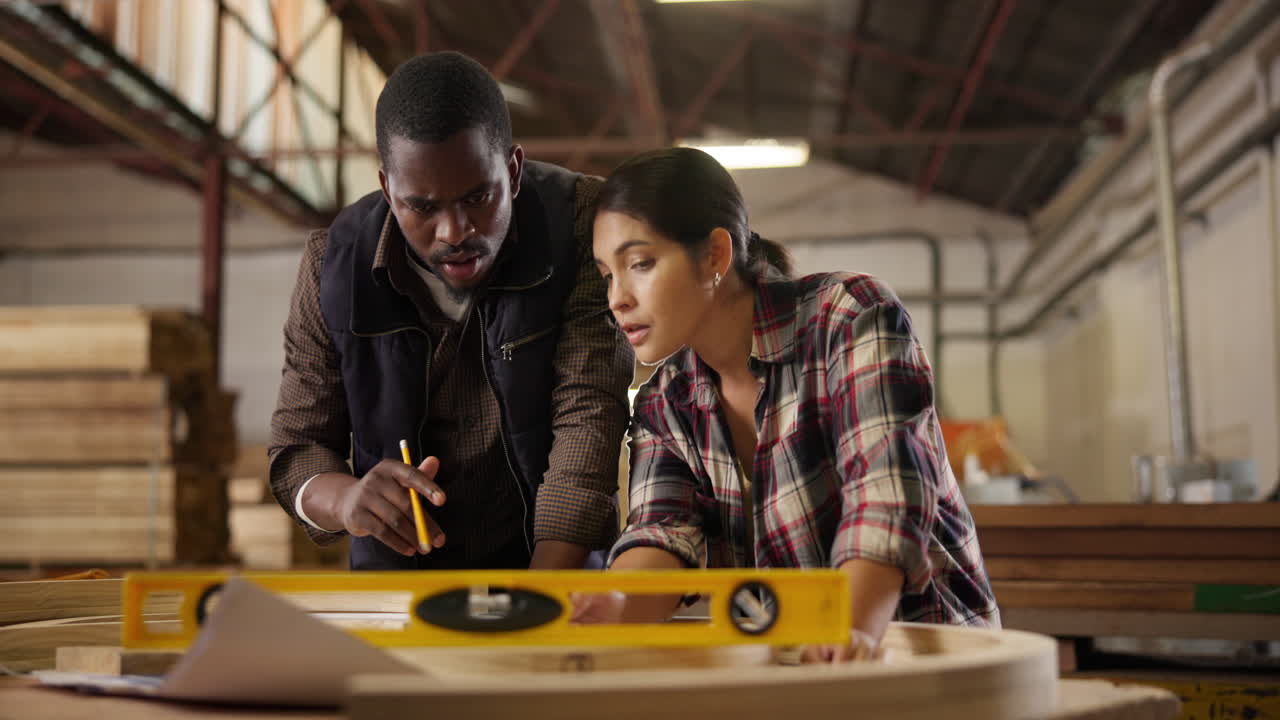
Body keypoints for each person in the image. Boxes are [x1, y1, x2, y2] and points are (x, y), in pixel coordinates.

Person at [577, 147, 999, 661]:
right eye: (606, 275)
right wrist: (612, 604)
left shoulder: (849, 317)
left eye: (639, 263)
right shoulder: (666, 399)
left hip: (929, 652)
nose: (617, 297)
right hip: (797, 669)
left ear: (714, 254)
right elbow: (661, 533)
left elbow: (886, 495)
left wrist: (850, 628)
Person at [268, 51, 633, 571]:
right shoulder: (331, 265)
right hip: (399, 592)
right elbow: (296, 449)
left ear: (513, 168)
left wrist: (544, 599)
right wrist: (345, 500)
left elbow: (588, 417)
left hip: (555, 568)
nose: (455, 232)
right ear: (388, 189)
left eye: (479, 197)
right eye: (423, 207)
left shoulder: (577, 225)